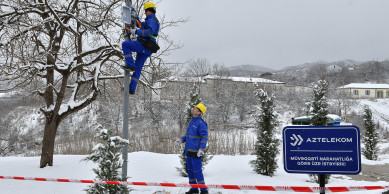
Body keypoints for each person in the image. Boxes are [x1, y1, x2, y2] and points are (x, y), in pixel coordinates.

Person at [121, 2, 160, 95]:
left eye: (146, 11)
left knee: (125, 45)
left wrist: (136, 31)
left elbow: (149, 32)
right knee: (138, 67)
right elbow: (140, 25)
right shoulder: (149, 20)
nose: (145, 13)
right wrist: (135, 15)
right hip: (147, 47)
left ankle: (130, 65)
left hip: (145, 45)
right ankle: (132, 88)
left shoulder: (152, 20)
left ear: (149, 11)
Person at [176, 103, 209, 194]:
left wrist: (202, 148)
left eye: (195, 108)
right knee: (190, 172)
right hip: (188, 151)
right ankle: (194, 189)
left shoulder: (201, 124)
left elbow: (204, 137)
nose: (193, 108)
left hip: (196, 152)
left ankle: (203, 190)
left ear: (199, 112)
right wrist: (182, 140)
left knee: (197, 172)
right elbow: (188, 135)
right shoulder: (192, 121)